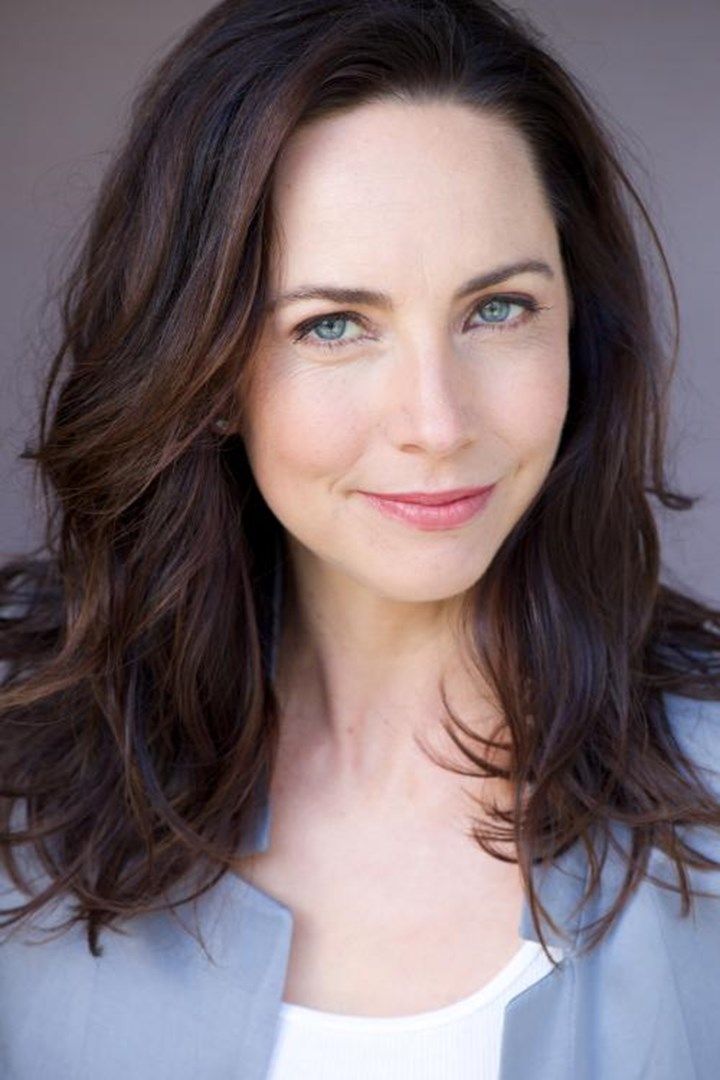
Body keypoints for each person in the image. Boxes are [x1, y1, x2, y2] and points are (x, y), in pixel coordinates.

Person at [1, 1, 719, 1077]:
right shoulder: (19, 757)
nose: (437, 423)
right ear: (204, 371)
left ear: (580, 324)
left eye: (498, 309)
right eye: (332, 325)